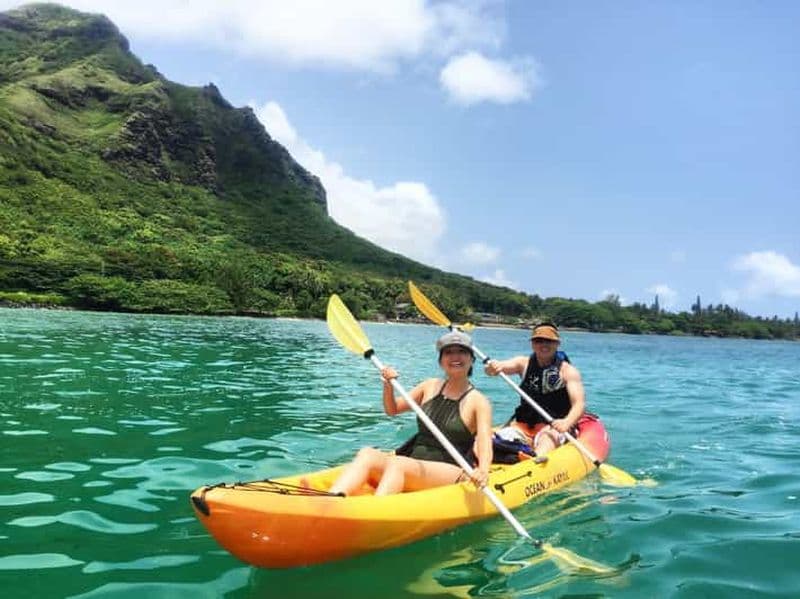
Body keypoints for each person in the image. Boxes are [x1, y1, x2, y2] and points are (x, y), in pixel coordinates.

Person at [329, 330, 493, 496]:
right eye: (449, 352)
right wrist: (388, 386)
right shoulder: (429, 386)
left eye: (462, 352)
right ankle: (334, 498)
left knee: (399, 464)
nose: (455, 357)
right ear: (441, 361)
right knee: (367, 454)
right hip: (414, 464)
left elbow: (484, 442)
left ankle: (377, 508)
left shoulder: (479, 401)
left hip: (452, 470)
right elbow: (392, 409)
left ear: (472, 359)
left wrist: (483, 470)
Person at [484, 322, 585, 457]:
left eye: (549, 341)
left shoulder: (568, 371)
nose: (544, 345)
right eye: (538, 341)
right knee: (496, 441)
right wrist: (492, 367)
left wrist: (566, 422)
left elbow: (579, 404)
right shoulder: (522, 363)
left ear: (557, 344)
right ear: (532, 344)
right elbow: (499, 367)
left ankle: (534, 460)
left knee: (546, 440)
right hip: (523, 425)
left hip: (552, 427)